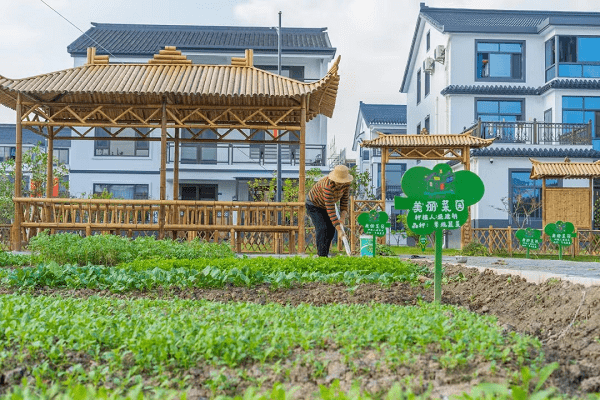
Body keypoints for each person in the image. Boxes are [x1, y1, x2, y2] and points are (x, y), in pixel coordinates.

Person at [305, 165, 353, 257]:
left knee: (331, 229)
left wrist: (342, 219)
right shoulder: (328, 186)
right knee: (322, 228)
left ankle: (325, 254)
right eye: (339, 182)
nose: (340, 184)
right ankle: (321, 256)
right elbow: (331, 210)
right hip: (313, 204)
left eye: (342, 182)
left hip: (325, 205)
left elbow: (344, 202)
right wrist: (339, 230)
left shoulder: (346, 184)